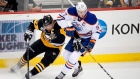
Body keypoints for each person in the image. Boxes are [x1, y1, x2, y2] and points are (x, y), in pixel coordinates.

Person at [55, 1, 102, 79]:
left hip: (87, 39)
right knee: (66, 55)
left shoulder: (91, 18)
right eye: (80, 12)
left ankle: (62, 74)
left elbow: (97, 30)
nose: (82, 13)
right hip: (76, 37)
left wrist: (92, 42)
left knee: (73, 56)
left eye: (84, 11)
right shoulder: (71, 11)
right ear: (77, 10)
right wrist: (67, 27)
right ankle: (78, 68)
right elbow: (59, 17)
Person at [10, 15, 66, 79]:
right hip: (43, 42)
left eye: (50, 24)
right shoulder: (41, 23)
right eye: (46, 25)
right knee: (29, 53)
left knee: (46, 62)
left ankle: (31, 73)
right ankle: (18, 65)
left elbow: (62, 39)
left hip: (55, 48)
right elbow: (33, 23)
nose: (48, 27)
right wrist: (29, 33)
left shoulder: (59, 27)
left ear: (53, 22)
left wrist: (51, 38)